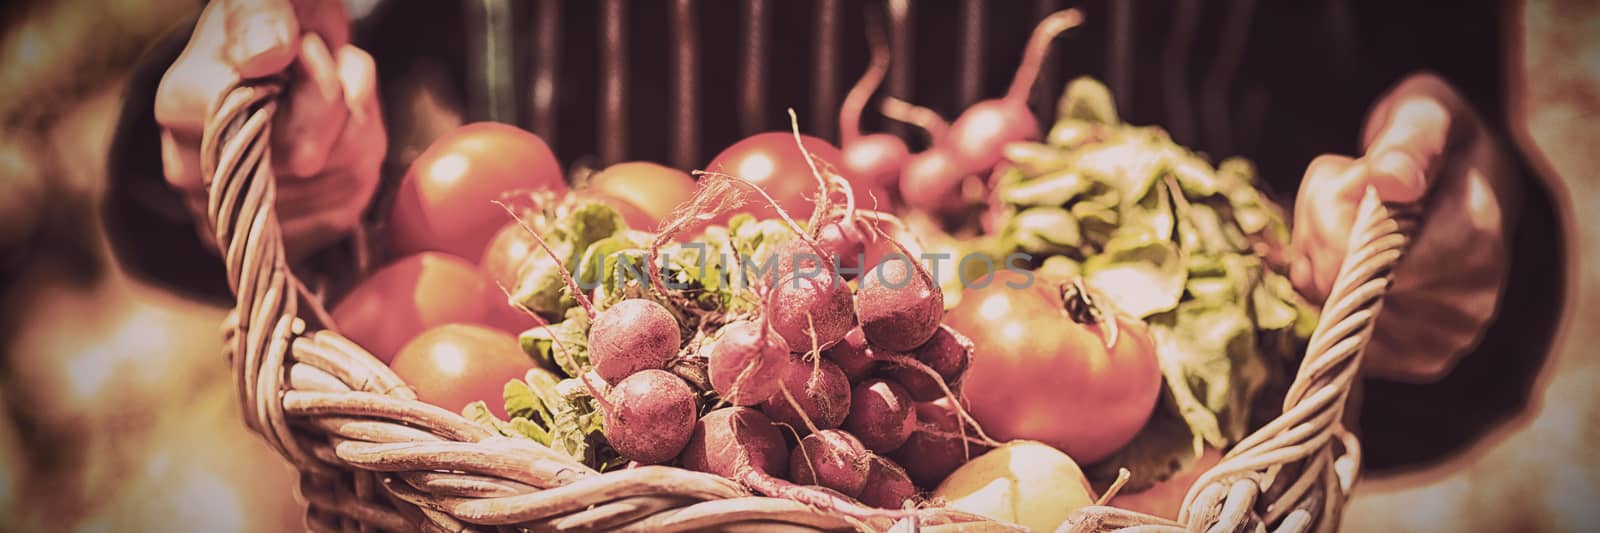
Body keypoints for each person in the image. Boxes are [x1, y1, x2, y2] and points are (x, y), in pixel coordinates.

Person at [97, 0, 1569, 519]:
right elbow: (252, 85)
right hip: (534, 459)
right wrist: (264, 147)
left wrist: (1455, 271)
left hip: (1140, 480)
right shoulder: (589, 300)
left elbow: (1437, 120)